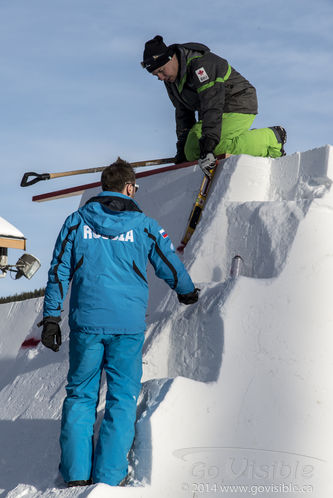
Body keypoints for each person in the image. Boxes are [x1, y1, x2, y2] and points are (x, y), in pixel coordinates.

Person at [40, 158, 199, 487]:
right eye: (135, 187)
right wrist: (187, 292)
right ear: (129, 188)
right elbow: (169, 261)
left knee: (81, 397)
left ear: (103, 187)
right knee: (121, 397)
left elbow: (58, 271)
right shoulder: (145, 226)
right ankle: (110, 476)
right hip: (127, 327)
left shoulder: (76, 222)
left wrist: (51, 318)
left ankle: (76, 475)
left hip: (86, 324)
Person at [141, 35, 287, 176]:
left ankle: (272, 138)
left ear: (171, 58)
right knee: (192, 149)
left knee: (206, 146)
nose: (160, 77)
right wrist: (182, 151)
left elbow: (212, 103)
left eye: (161, 70)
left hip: (238, 102)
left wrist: (209, 144)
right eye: (156, 75)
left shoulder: (200, 65)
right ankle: (246, 138)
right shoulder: (171, 81)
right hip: (216, 111)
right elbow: (182, 112)